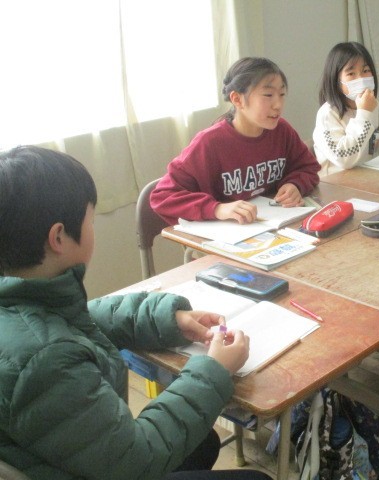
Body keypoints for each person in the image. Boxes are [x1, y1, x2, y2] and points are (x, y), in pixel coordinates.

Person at [0, 145, 271, 480]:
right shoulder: (46, 364)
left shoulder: (24, 301)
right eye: (91, 221)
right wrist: (213, 370)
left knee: (202, 441)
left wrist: (168, 318)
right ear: (58, 237)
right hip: (114, 467)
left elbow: (80, 319)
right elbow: (136, 460)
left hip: (69, 456)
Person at [151, 57, 320, 226]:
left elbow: (308, 167)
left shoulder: (282, 131)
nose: (278, 104)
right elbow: (162, 196)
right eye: (268, 95)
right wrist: (217, 209)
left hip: (275, 228)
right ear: (237, 99)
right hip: (228, 235)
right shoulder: (209, 143)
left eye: (282, 94)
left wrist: (295, 185)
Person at [312, 41, 379, 175]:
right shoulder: (327, 114)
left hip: (368, 176)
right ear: (336, 80)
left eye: (365, 71)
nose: (361, 79)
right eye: (351, 73)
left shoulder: (372, 104)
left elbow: (376, 147)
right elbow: (344, 159)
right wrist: (364, 113)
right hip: (336, 182)